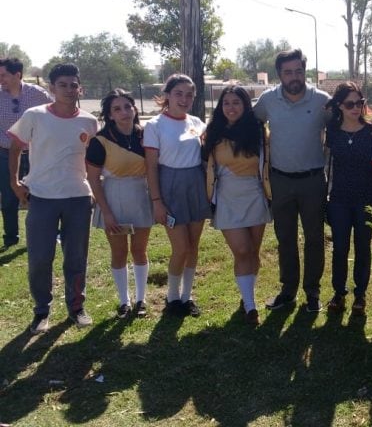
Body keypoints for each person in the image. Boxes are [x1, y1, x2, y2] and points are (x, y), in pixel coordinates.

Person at [7, 63, 98, 334]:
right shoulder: (34, 116)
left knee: (76, 257)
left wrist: (95, 189)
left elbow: (94, 161)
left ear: (79, 88)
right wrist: (13, 182)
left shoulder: (89, 121)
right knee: (39, 257)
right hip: (42, 197)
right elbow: (14, 148)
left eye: (73, 85)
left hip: (78, 198)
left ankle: (76, 307)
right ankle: (41, 311)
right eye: (63, 85)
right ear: (52, 88)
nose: (69, 90)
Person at [253, 48, 330, 313]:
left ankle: (312, 292)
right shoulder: (267, 100)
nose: (294, 76)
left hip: (313, 181)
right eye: (288, 72)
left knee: (314, 238)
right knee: (285, 237)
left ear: (304, 72)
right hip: (280, 180)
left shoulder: (321, 100)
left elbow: (344, 123)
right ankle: (288, 291)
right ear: (279, 75)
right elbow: (249, 123)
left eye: (299, 71)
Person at [202, 85, 271, 325]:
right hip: (227, 197)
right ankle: (251, 308)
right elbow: (204, 166)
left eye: (236, 102)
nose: (231, 107)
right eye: (226, 103)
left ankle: (247, 297)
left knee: (252, 251)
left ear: (245, 105)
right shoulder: (212, 132)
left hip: (254, 194)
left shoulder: (259, 131)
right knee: (241, 250)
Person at [144, 73, 210, 318]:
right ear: (167, 95)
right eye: (178, 93)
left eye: (189, 94)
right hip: (170, 188)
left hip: (196, 186)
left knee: (193, 247)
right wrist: (157, 202)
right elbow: (151, 167)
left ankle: (186, 297)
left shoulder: (197, 123)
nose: (184, 99)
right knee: (180, 248)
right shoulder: (154, 126)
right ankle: (171, 298)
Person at [86, 89, 153, 319]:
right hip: (113, 197)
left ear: (134, 109)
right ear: (110, 115)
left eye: (128, 107)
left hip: (141, 196)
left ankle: (141, 299)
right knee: (119, 252)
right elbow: (93, 179)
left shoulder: (146, 136)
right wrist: (107, 213)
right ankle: (124, 301)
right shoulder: (100, 141)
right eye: (117, 109)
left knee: (139, 250)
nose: (124, 112)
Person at [323, 81, 372, 316]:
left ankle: (360, 294)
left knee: (363, 247)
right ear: (339, 106)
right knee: (340, 247)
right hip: (339, 199)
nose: (355, 108)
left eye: (360, 103)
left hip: (366, 198)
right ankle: (338, 292)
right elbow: (327, 165)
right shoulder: (332, 132)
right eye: (350, 104)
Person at [0, 57, 53, 249]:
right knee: (8, 197)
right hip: (5, 153)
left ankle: (46, 233)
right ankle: (11, 238)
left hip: (35, 154)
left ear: (18, 75)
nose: (1, 79)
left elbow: (54, 114)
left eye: (3, 75)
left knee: (40, 195)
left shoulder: (38, 94)